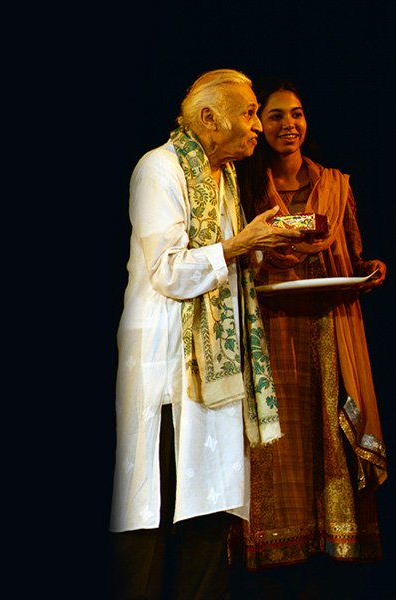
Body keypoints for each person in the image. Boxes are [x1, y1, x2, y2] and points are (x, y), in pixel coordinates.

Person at [109, 68, 304, 600]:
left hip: (216, 372)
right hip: (167, 367)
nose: (258, 127)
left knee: (210, 509)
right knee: (154, 510)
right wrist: (242, 245)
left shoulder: (225, 177)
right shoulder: (159, 169)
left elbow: (223, 259)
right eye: (249, 113)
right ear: (209, 118)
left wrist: (265, 251)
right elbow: (168, 271)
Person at [230, 79, 388, 595]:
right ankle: (277, 552)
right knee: (278, 438)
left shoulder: (336, 186)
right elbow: (236, 258)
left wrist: (370, 270)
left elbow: (353, 257)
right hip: (271, 328)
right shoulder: (244, 189)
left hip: (327, 324)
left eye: (296, 114)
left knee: (328, 430)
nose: (288, 125)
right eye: (275, 116)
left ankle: (333, 550)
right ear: (259, 124)